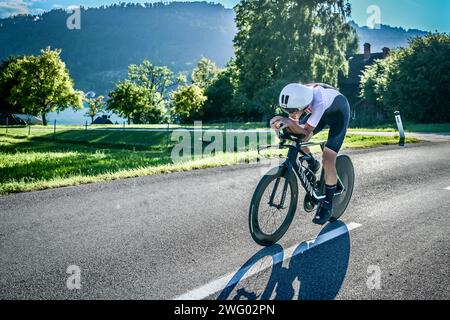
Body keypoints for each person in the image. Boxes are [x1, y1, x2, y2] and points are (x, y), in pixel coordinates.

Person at [270, 82, 350, 225]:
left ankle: (327, 205)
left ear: (303, 105)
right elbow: (295, 127)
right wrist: (283, 125)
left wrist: (290, 122)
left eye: (294, 111)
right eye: (287, 111)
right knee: (296, 137)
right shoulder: (298, 95)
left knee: (328, 158)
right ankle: (313, 162)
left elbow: (306, 132)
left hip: (338, 115)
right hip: (319, 112)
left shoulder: (318, 102)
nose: (292, 114)